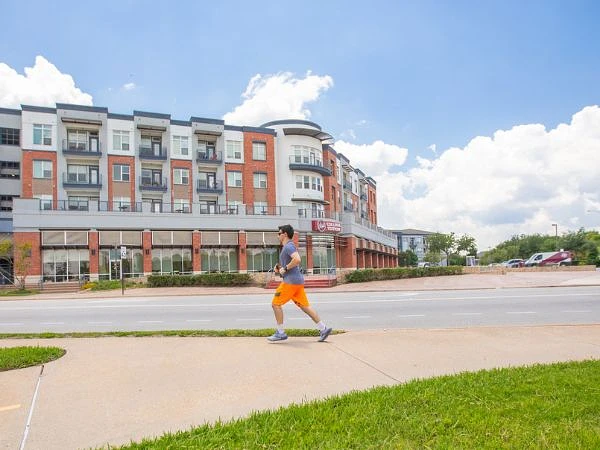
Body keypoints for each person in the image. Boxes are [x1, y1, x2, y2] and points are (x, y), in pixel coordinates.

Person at [268, 224, 332, 342]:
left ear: (285, 234)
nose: (278, 235)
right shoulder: (287, 247)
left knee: (275, 304)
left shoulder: (289, 246)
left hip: (290, 283)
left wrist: (285, 268)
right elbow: (291, 263)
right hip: (297, 282)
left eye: (279, 233)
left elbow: (297, 259)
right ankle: (323, 328)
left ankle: (281, 333)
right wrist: (280, 269)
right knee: (305, 306)